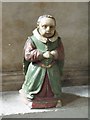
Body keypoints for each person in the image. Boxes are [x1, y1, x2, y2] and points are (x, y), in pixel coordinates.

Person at [19, 15, 64, 108]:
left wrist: (56, 53)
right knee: (34, 87)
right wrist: (41, 54)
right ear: (38, 26)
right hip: (36, 70)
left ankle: (52, 98)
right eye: (44, 26)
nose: (48, 29)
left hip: (52, 70)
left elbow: (61, 53)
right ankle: (32, 97)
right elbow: (27, 55)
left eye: (52, 27)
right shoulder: (32, 40)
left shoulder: (57, 41)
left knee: (53, 87)